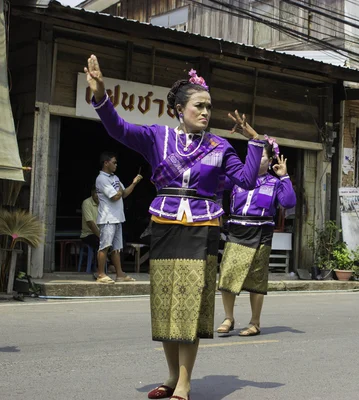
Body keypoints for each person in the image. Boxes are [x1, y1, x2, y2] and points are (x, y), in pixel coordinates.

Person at [85, 54, 263, 400]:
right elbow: (118, 128)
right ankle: (169, 377)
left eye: (209, 107)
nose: (206, 112)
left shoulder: (219, 146)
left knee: (191, 303)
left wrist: (255, 141)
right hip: (164, 223)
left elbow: (245, 180)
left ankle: (184, 383)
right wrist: (101, 96)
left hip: (202, 227)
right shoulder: (157, 138)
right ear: (180, 109)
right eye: (199, 106)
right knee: (165, 302)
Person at [217, 138, 297, 337]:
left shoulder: (275, 183)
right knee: (227, 275)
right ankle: (229, 318)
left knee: (257, 280)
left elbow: (288, 202)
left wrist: (284, 177)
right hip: (236, 230)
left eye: (261, 156)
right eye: (251, 156)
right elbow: (215, 183)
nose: (254, 159)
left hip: (261, 233)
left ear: (270, 161)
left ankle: (255, 322)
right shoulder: (237, 178)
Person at [95, 151, 142, 283]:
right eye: (114, 162)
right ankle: (101, 274)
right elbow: (115, 196)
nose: (116, 165)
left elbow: (124, 193)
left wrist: (134, 183)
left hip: (117, 217)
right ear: (106, 163)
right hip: (107, 217)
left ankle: (119, 274)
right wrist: (120, 191)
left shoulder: (114, 178)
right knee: (104, 246)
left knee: (116, 248)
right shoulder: (102, 179)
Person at [80, 186, 100, 254]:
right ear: (92, 193)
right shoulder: (87, 203)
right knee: (103, 243)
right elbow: (90, 224)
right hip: (88, 234)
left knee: (119, 241)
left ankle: (112, 263)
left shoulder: (103, 203)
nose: (98, 195)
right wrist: (101, 236)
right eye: (96, 193)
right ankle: (107, 263)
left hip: (101, 233)